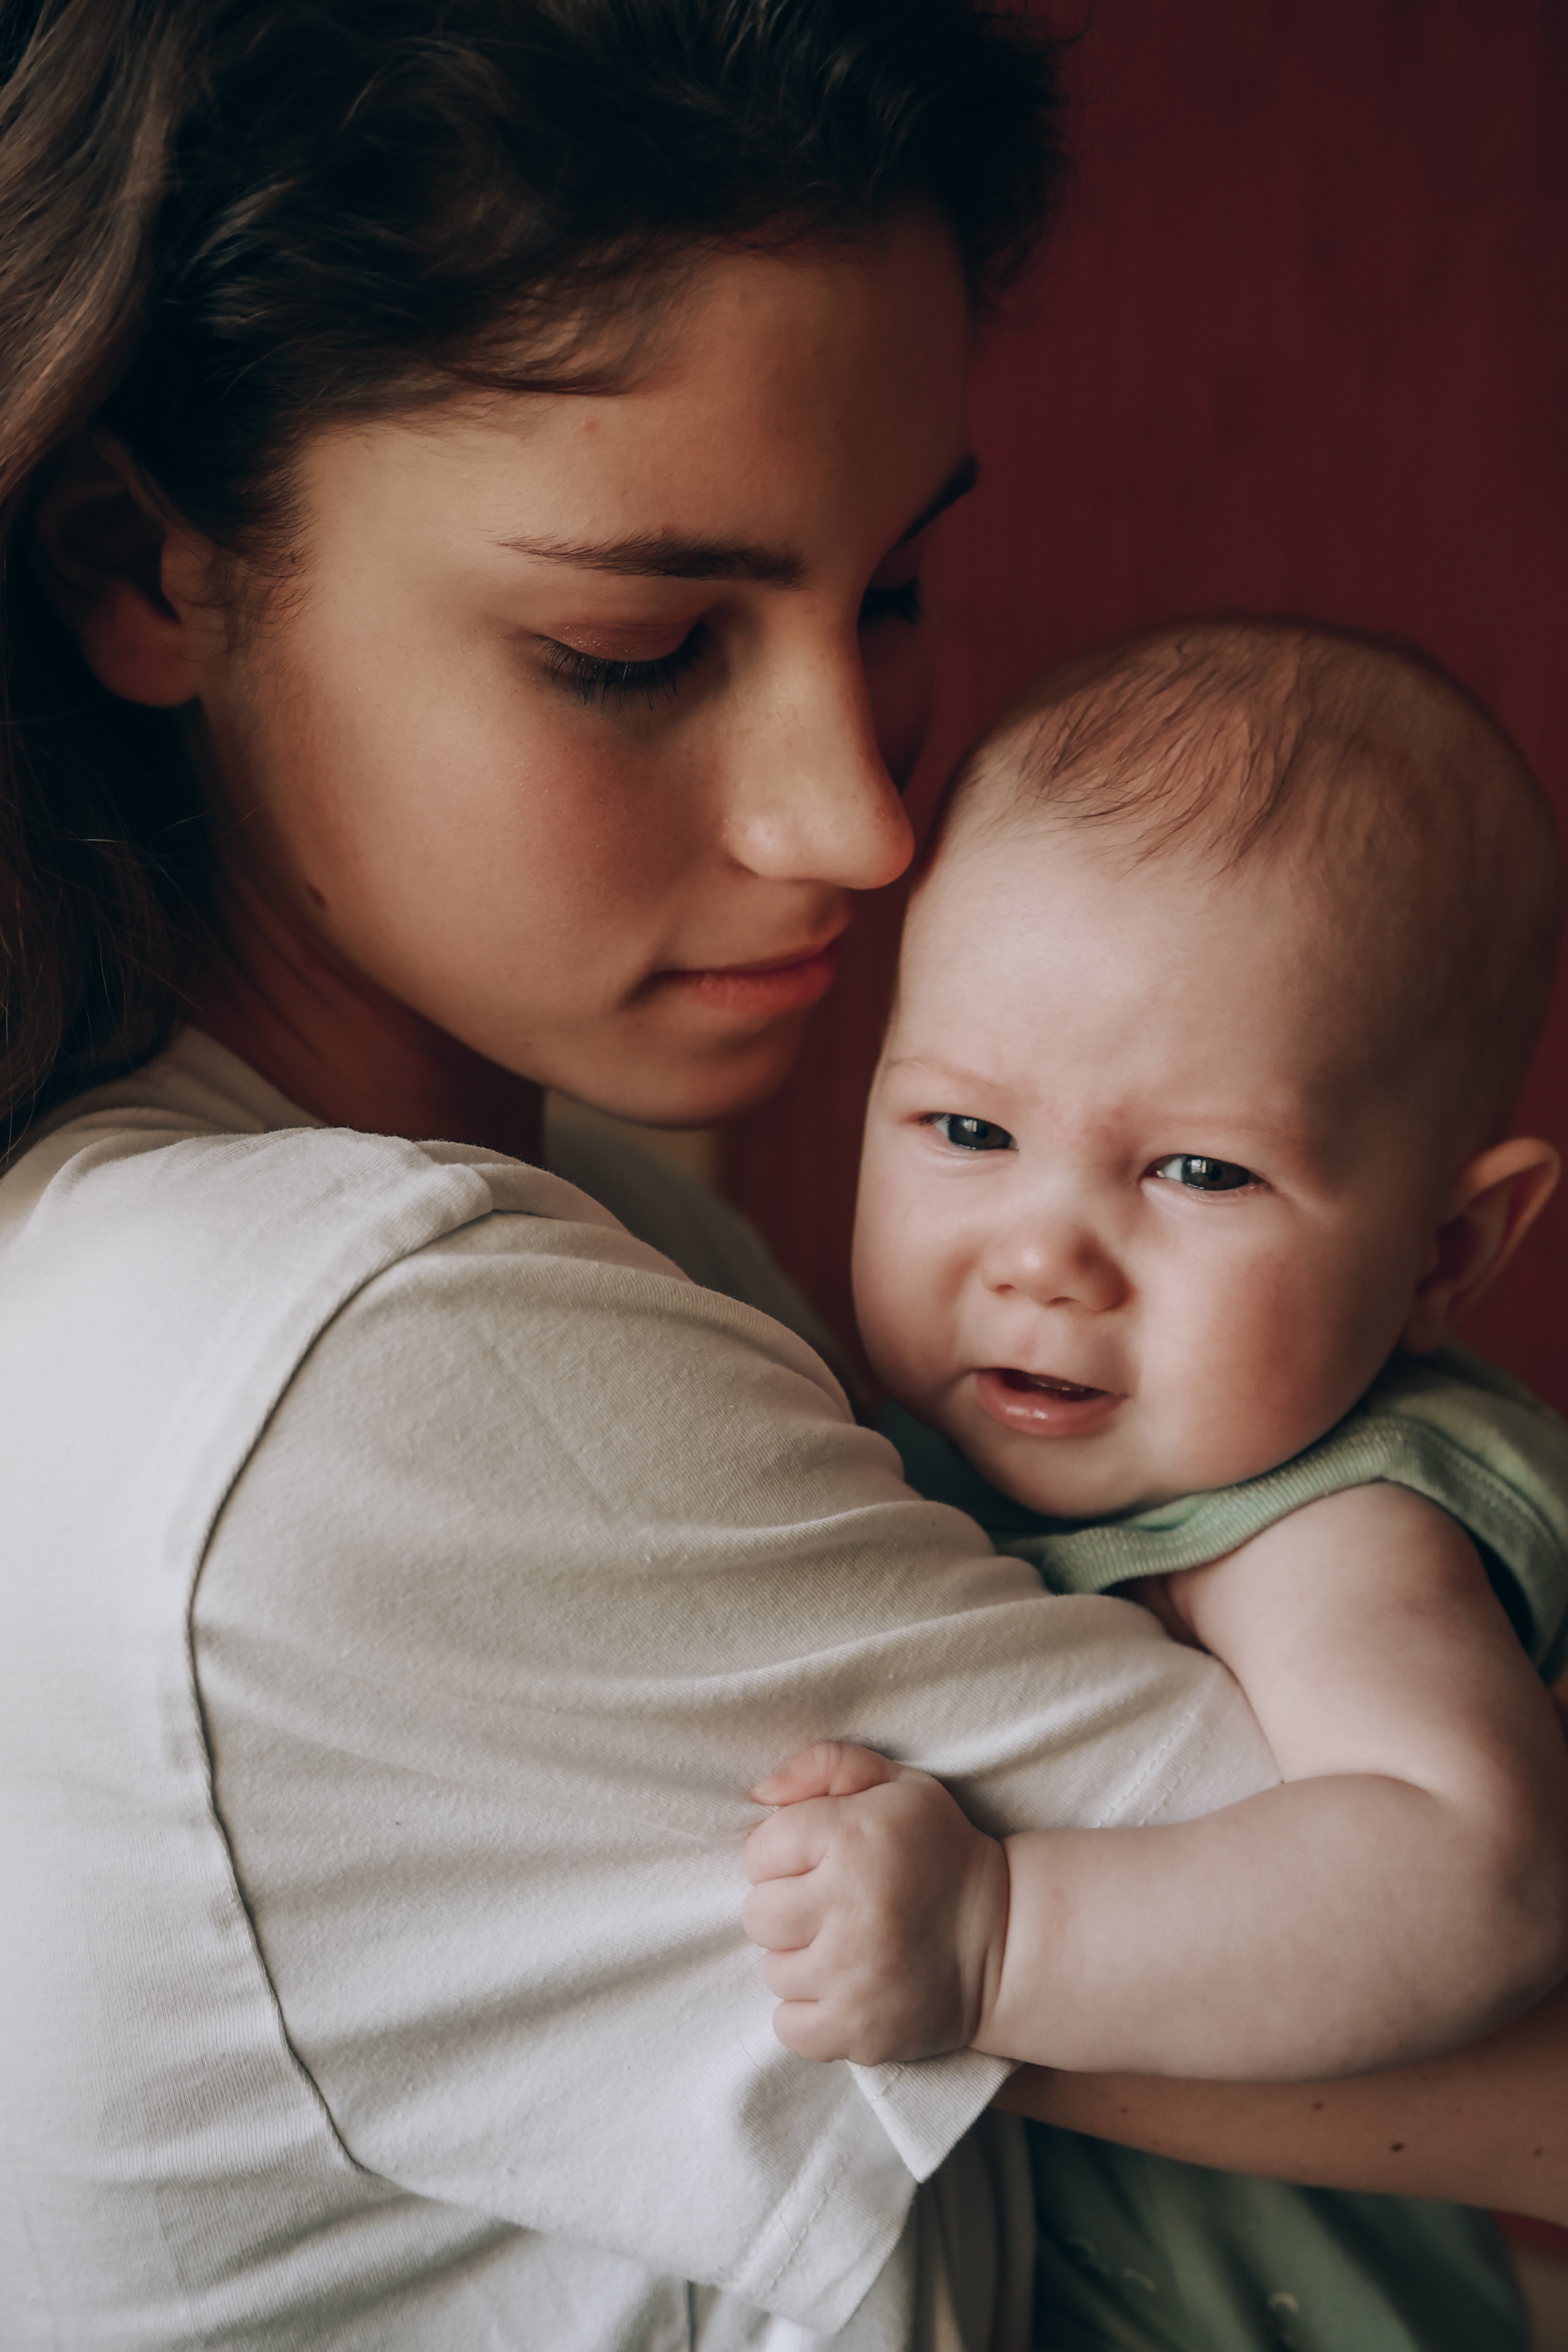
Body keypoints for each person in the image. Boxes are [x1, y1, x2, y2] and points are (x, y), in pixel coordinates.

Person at [0, 3, 1562, 2345]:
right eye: (634, 649)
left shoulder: (616, 1219)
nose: (865, 821)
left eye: (894, 593)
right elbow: (1481, 1969)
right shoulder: (353, 1360)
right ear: (147, 564)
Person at [741, 619, 1568, 2346]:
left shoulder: (1339, 1520)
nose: (1045, 1255)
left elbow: (1471, 1866)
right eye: (970, 1132)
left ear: (1445, 1251)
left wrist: (999, 1939)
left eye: (1200, 1170)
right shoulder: (909, 1426)